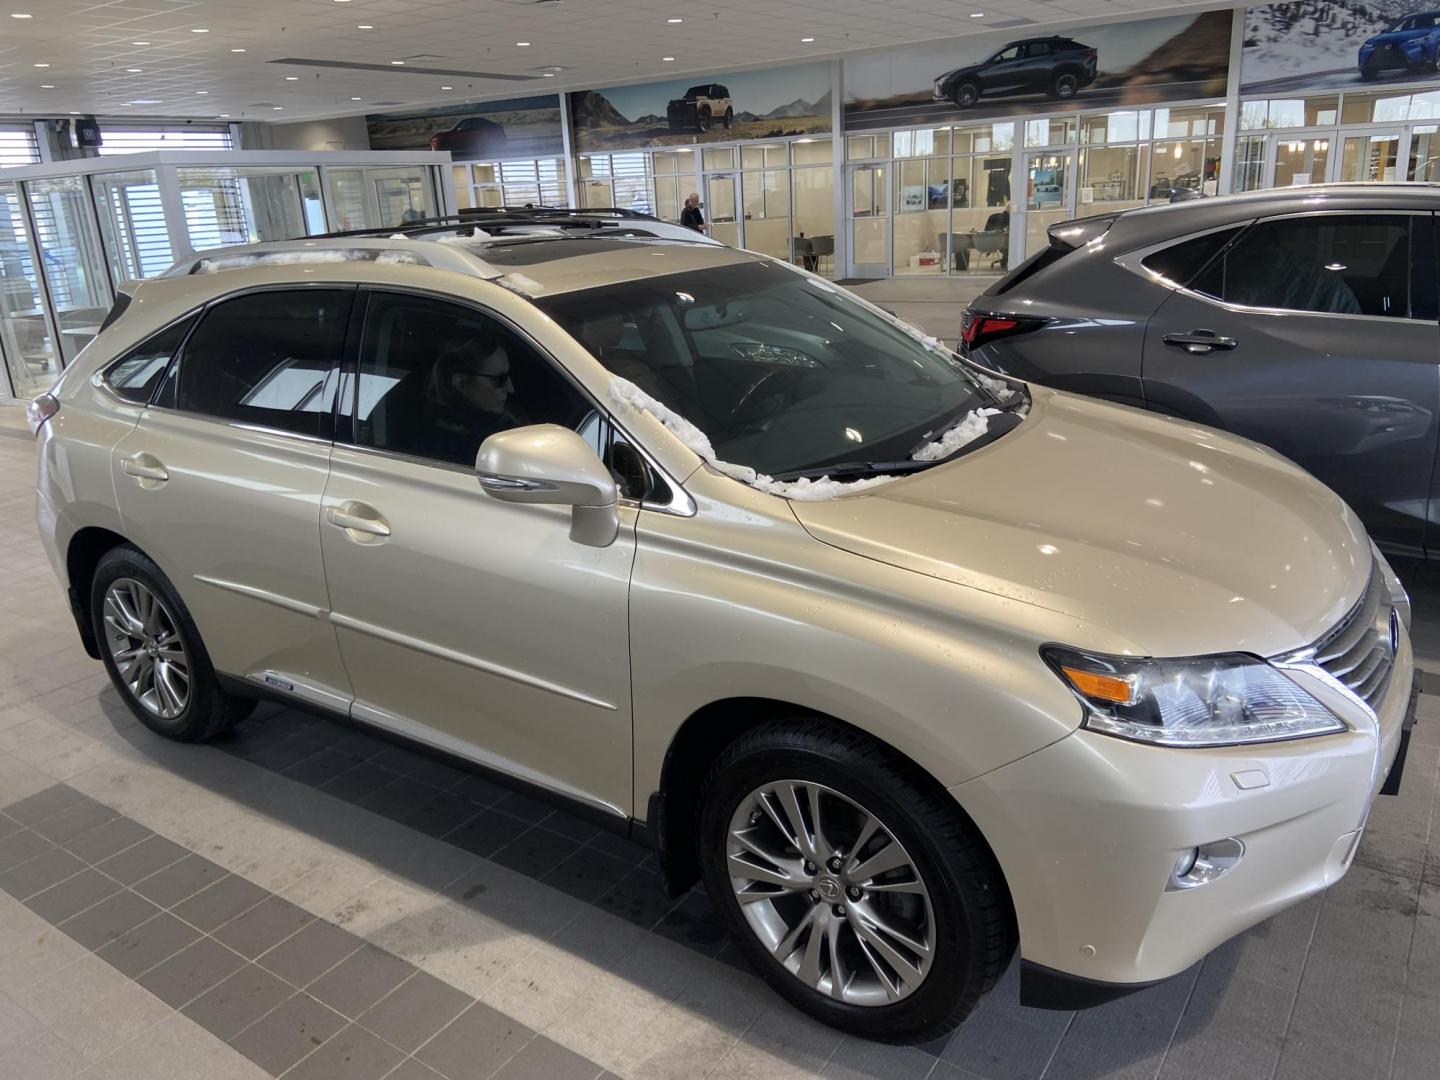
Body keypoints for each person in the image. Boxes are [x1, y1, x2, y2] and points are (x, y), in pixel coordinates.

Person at [419, 333, 523, 466]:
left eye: (508, 376)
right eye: (498, 379)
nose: (510, 388)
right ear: (460, 382)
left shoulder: (505, 419)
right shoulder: (446, 446)